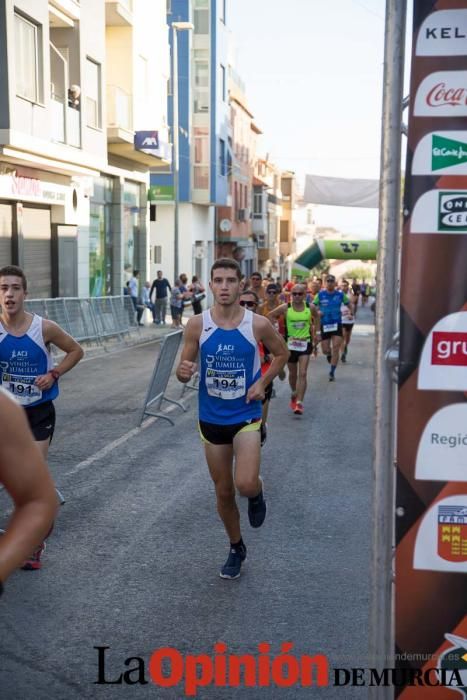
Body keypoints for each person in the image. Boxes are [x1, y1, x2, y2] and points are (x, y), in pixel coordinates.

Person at [176, 258, 288, 579]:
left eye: (230, 281)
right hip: (211, 418)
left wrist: (262, 383)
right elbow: (183, 371)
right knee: (224, 492)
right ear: (210, 285)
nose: (224, 287)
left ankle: (256, 490)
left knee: (245, 483)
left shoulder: (257, 324)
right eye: (218, 280)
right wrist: (183, 372)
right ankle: (236, 546)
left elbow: (281, 354)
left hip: (246, 414)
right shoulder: (197, 324)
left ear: (241, 285)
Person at [0, 265, 84, 569]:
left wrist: (54, 373)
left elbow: (76, 350)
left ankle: (34, 542)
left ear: (25, 293)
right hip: (5, 416)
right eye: (3, 288)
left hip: (38, 414)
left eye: (15, 288)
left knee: (28, 483)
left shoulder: (43, 328)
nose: (9, 294)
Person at [0, 388, 58, 595]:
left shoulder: (2, 408)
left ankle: (33, 545)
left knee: (31, 475)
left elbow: (37, 501)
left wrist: (53, 373)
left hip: (35, 410)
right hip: (17, 406)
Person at [267, 283, 316, 415]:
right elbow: (270, 316)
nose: (297, 296)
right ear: (291, 295)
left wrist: (316, 333)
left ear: (305, 295)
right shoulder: (285, 307)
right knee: (293, 373)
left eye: (300, 294)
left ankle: (299, 402)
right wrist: (275, 331)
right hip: (290, 345)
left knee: (303, 373)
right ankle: (294, 391)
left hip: (305, 343)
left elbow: (317, 317)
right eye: (294, 294)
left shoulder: (310, 307)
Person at [240, 290, 273, 447]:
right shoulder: (227, 326)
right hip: (239, 382)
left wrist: (266, 358)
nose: (246, 307)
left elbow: (280, 355)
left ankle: (261, 430)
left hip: (262, 380)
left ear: (256, 305)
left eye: (250, 304)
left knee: (255, 431)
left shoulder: (263, 326)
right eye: (242, 303)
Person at [313, 274, 352, 382]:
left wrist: (351, 313)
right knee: (325, 350)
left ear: (335, 283)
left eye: (332, 281)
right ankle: (328, 355)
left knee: (336, 347)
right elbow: (313, 307)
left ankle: (332, 372)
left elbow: (349, 304)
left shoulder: (340, 295)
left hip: (337, 324)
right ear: (325, 283)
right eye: (328, 281)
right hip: (325, 324)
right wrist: (317, 312)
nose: (330, 283)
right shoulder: (320, 295)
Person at [340, 279, 355, 363]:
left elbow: (352, 305)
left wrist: (351, 314)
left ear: (347, 286)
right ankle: (342, 353)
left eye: (345, 286)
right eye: (342, 285)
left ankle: (345, 347)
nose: (343, 287)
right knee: (342, 336)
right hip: (341, 319)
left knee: (347, 338)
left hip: (349, 320)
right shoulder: (337, 295)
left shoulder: (350, 295)